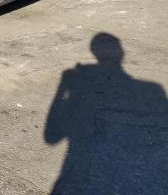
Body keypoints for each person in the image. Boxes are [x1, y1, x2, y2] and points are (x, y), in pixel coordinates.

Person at [45, 33, 168, 194]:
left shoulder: (152, 89)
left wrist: (64, 86)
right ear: (122, 53)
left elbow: (52, 136)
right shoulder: (152, 89)